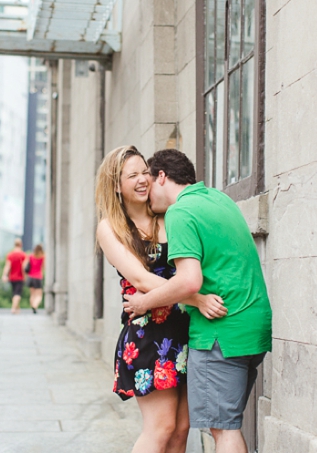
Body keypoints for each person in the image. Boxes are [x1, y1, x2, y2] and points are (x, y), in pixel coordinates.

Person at [123, 149, 272, 453]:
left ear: (161, 176)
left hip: (221, 333)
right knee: (226, 423)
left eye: (149, 182)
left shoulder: (181, 211)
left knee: (224, 429)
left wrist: (144, 303)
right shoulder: (219, 199)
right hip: (252, 325)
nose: (148, 194)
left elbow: (189, 280)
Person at [95, 146, 227, 453]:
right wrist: (197, 299)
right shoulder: (111, 228)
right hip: (149, 333)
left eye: (145, 172)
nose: (143, 180)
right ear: (117, 184)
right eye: (133, 175)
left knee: (181, 430)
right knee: (161, 427)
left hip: (183, 330)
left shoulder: (168, 215)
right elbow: (140, 279)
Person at [1, 239, 27, 314]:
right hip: (20, 277)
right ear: (21, 244)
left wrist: (4, 275)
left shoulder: (10, 255)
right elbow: (24, 267)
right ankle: (13, 308)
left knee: (14, 293)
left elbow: (7, 266)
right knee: (17, 293)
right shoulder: (23, 255)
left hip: (12, 277)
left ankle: (17, 309)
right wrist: (25, 276)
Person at [26, 244, 45, 314]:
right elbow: (44, 267)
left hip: (30, 277)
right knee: (39, 295)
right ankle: (35, 305)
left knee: (32, 294)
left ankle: (33, 307)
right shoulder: (42, 257)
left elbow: (25, 265)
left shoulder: (31, 256)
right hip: (38, 277)